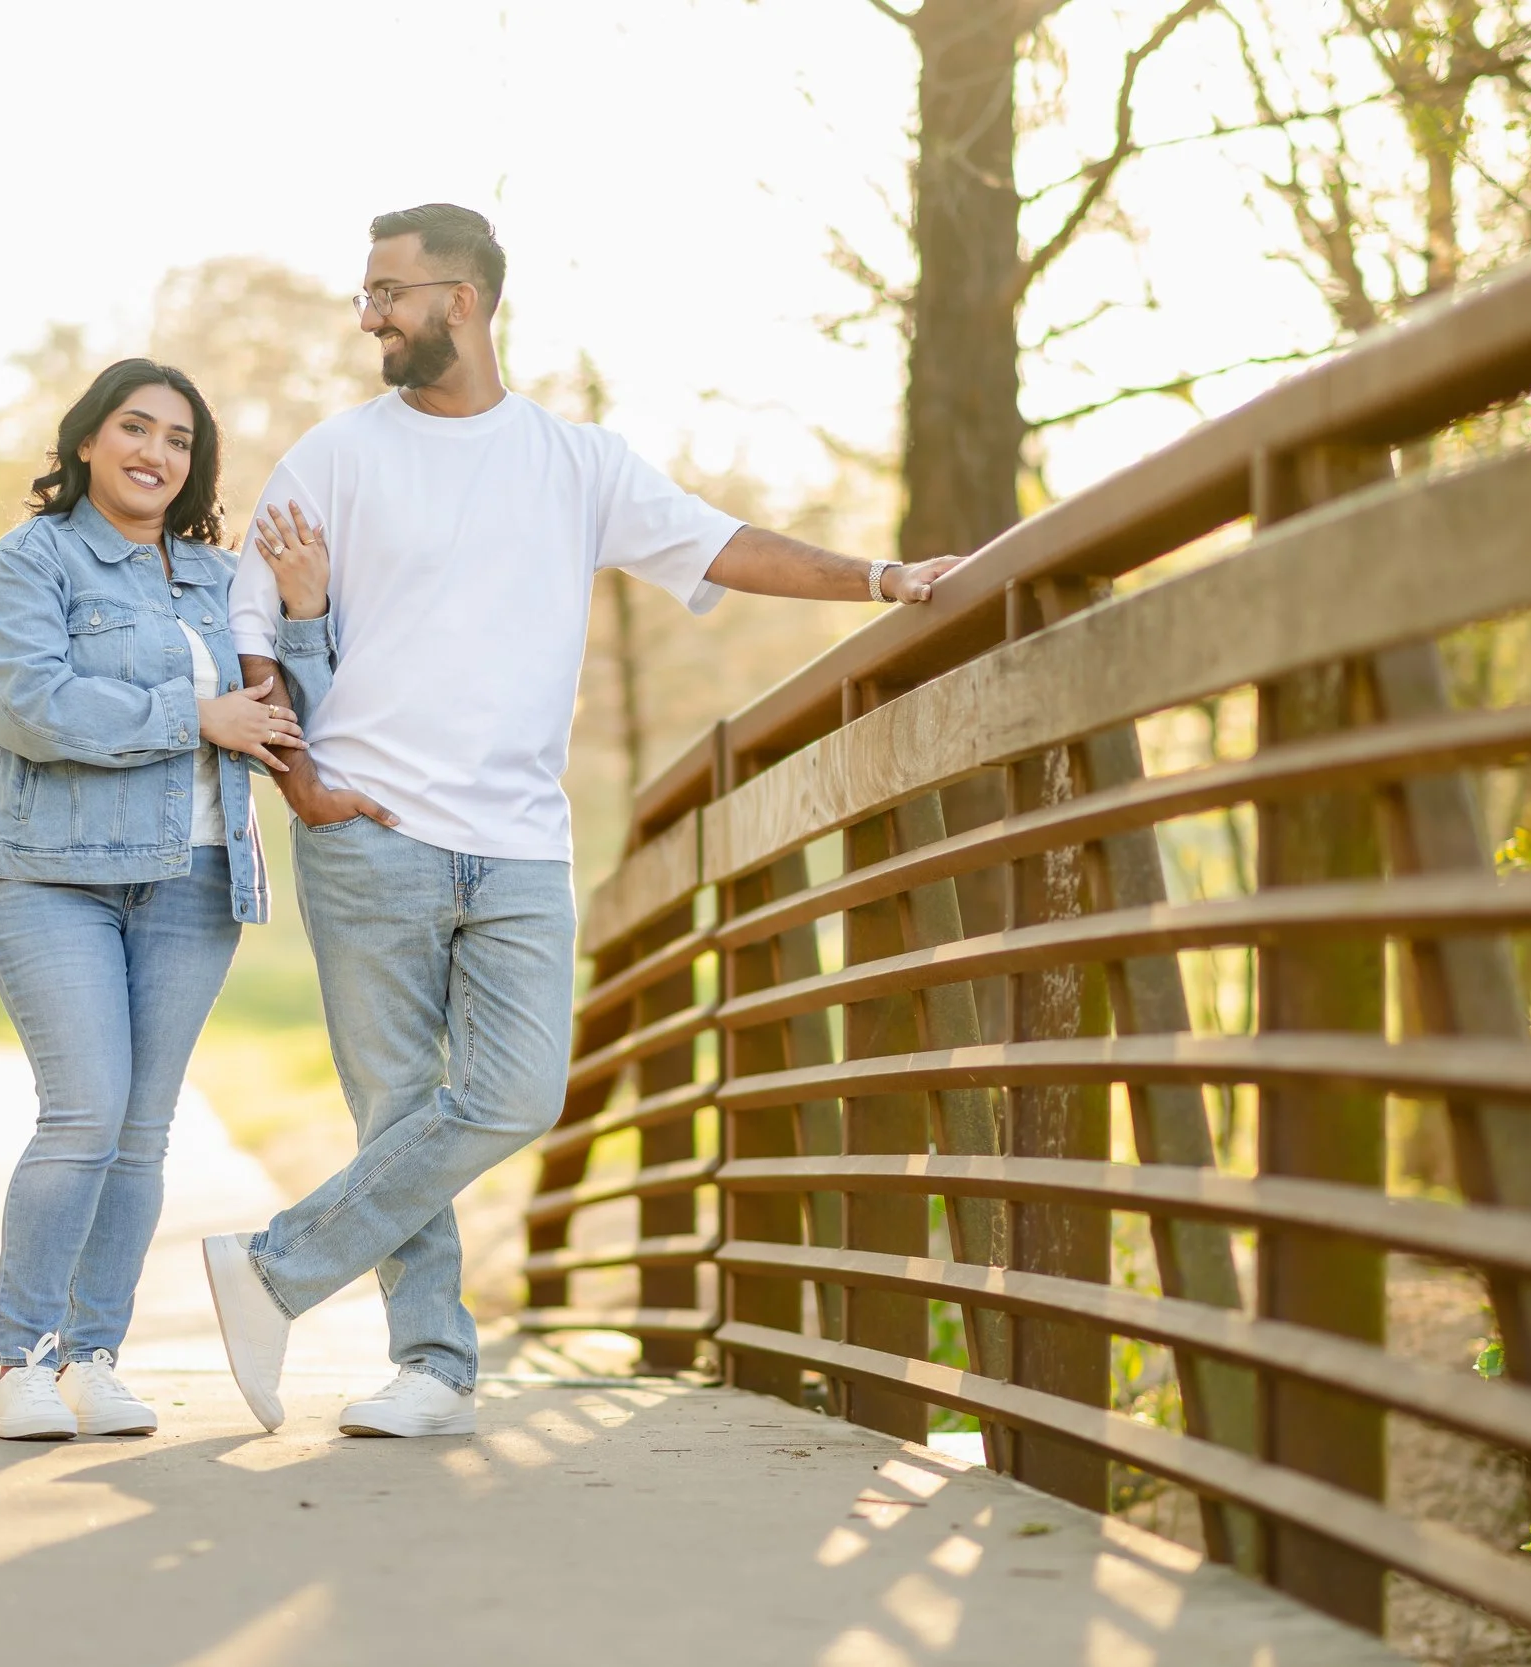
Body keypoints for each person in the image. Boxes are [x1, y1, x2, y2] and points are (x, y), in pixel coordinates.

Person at [208, 204, 964, 1439]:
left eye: (387, 293)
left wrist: (879, 580)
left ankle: (274, 1268)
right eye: (364, 295)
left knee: (514, 1094)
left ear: (462, 299)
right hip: (368, 828)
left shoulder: (578, 462)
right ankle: (434, 1366)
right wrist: (301, 782)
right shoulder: (337, 454)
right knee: (399, 1109)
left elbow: (726, 545)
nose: (369, 318)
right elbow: (252, 624)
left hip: (516, 841)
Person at [0, 358, 303, 1441]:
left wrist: (310, 607)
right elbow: (30, 705)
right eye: (134, 428)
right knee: (84, 1113)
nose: (156, 453)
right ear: (86, 442)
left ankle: (92, 1356)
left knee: (144, 1131)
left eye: (179, 439)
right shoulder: (33, 560)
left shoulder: (219, 577)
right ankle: (19, 1359)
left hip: (196, 876)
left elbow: (294, 701)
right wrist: (193, 714)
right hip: (52, 873)